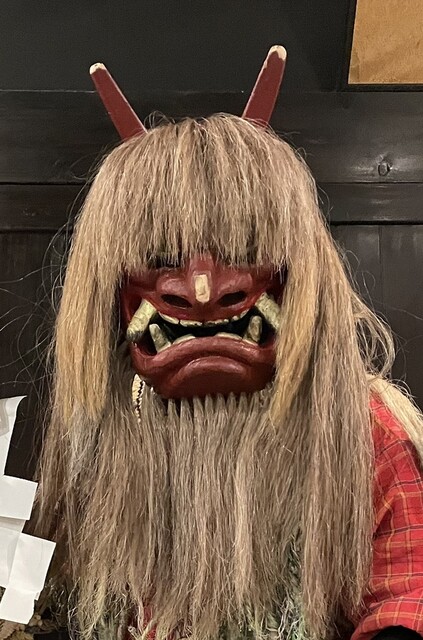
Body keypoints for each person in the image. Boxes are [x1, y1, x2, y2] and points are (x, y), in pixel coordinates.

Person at [4, 46, 423, 640]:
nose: (202, 289)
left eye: (244, 249)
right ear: (111, 288)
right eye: (160, 257)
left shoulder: (361, 433)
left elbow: (405, 598)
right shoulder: (100, 437)